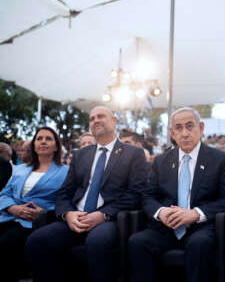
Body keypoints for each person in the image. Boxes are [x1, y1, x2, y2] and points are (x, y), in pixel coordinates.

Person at [26, 106, 147, 282]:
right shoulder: (80, 155)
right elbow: (65, 193)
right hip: (76, 217)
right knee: (37, 241)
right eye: (91, 118)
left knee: (97, 242)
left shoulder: (133, 153)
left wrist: (103, 215)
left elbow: (136, 194)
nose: (95, 120)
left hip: (109, 219)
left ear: (114, 121)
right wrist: (68, 214)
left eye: (101, 116)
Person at [128, 107, 225, 282]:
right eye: (178, 128)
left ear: (201, 128)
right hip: (165, 227)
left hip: (200, 227)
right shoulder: (161, 161)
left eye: (189, 126)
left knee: (199, 244)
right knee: (138, 242)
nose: (185, 133)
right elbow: (147, 196)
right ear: (172, 132)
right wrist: (161, 212)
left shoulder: (219, 159)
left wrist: (195, 214)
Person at [0, 127, 68, 282]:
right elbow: (4, 193)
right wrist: (12, 207)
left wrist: (45, 212)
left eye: (48, 138)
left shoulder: (66, 171)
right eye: (39, 138)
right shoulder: (21, 169)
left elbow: (67, 201)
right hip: (9, 216)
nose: (43, 141)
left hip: (35, 223)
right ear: (34, 145)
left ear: (56, 146)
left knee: (6, 244)